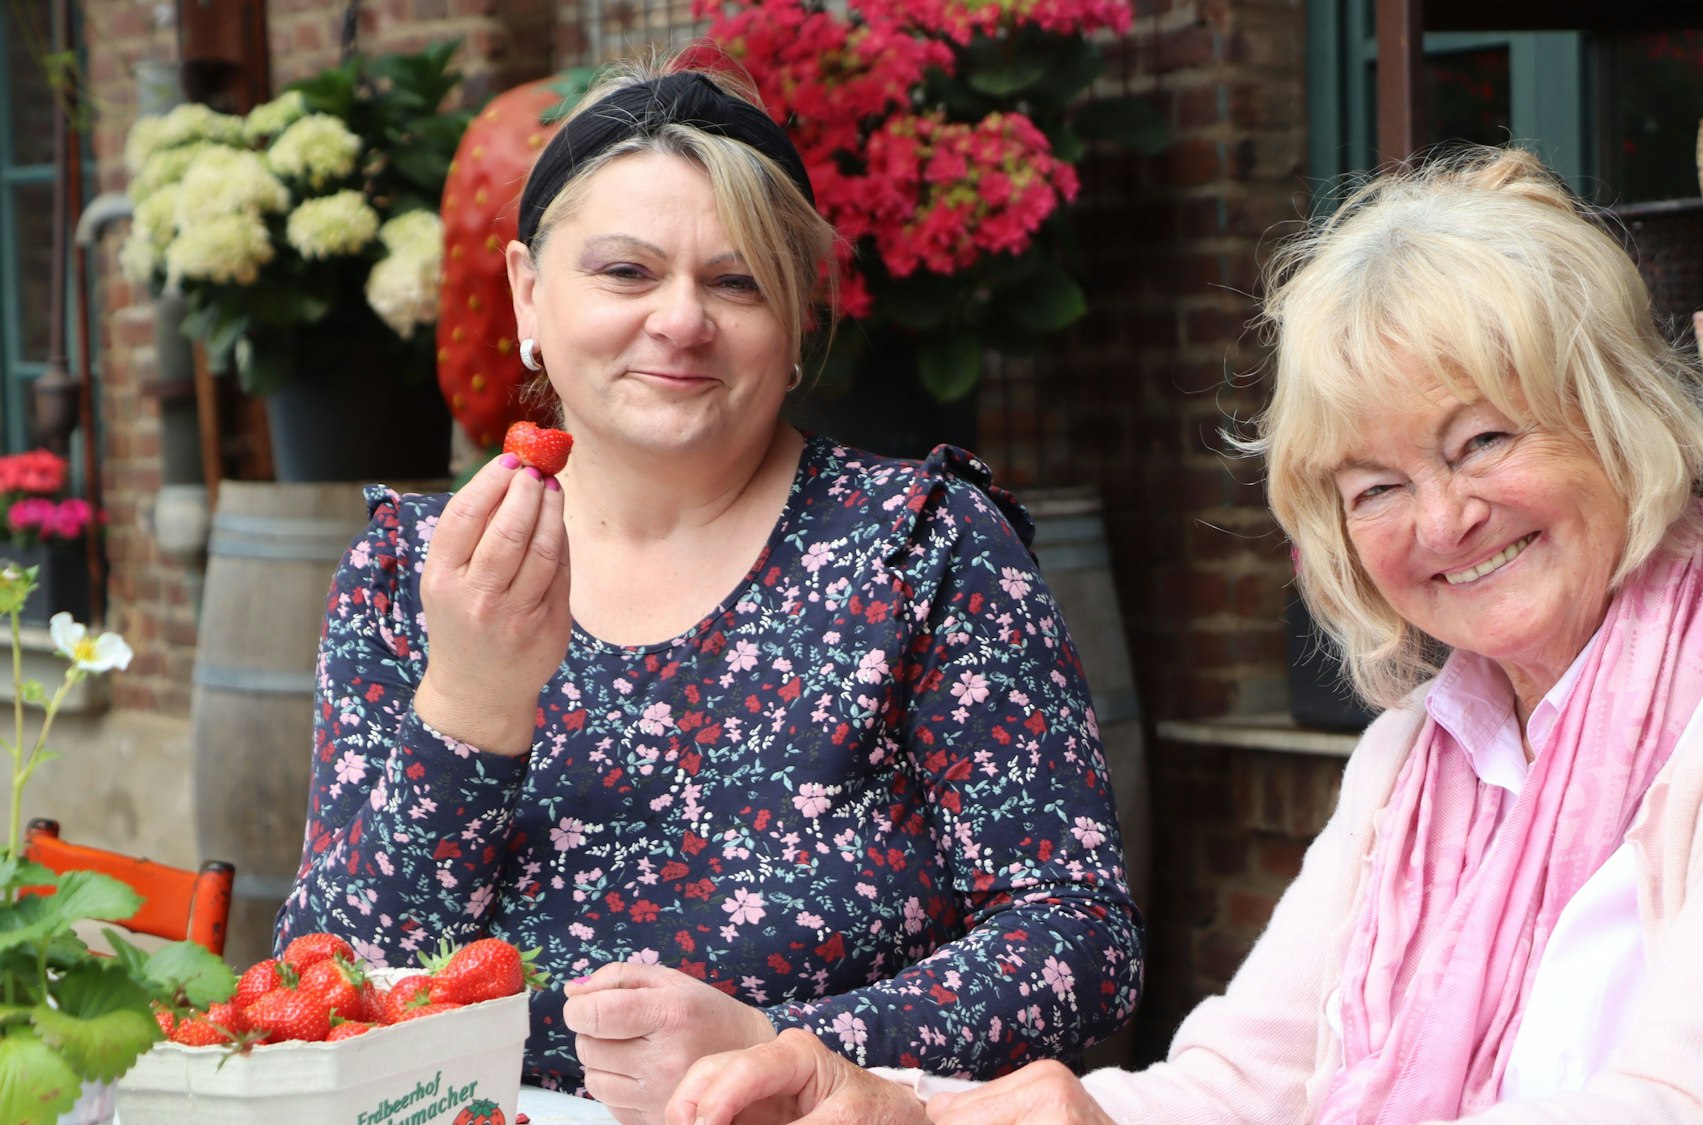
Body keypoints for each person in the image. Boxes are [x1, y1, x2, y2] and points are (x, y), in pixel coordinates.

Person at [661, 146, 1703, 1125]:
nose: (1446, 517)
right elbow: (1251, 1079)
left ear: (1618, 419)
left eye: (1484, 439)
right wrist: (920, 1110)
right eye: (1375, 485)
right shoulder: (1429, 750)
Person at [273, 57, 1143, 1111]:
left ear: (796, 324)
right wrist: (471, 704)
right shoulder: (412, 571)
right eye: (626, 273)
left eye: (736, 283)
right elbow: (328, 987)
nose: (682, 321)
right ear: (527, 295)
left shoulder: (921, 549)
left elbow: (1075, 937)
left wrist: (779, 1046)